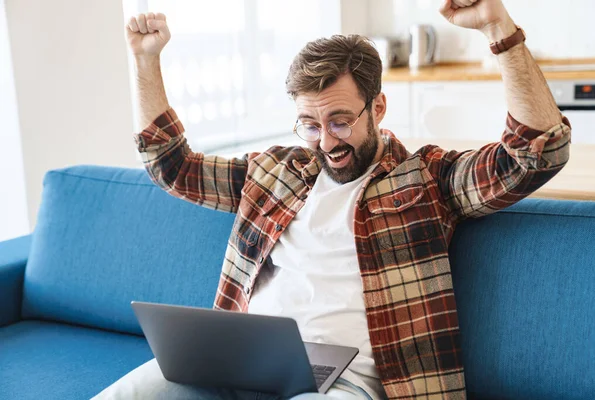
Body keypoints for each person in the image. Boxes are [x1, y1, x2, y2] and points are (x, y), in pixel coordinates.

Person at [94, 0, 571, 399]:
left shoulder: (427, 179)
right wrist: (144, 59)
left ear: (378, 107)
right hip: (236, 365)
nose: (325, 141)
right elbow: (171, 166)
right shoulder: (274, 171)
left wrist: (497, 29)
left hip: (345, 384)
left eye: (340, 120)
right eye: (309, 124)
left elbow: (536, 154)